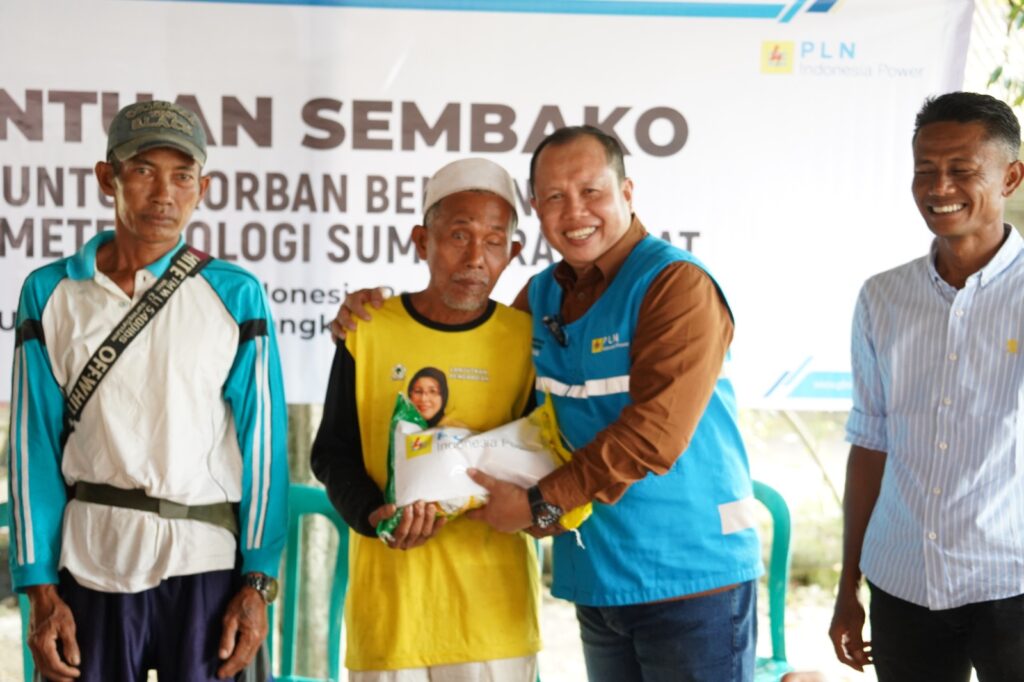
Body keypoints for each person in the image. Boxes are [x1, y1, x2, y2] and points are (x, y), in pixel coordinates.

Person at [335, 126, 764, 682]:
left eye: (591, 191)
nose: (575, 211)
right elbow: (460, 340)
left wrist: (539, 504)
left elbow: (654, 434)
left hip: (690, 578)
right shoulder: (542, 296)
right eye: (555, 197)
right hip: (598, 576)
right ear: (537, 209)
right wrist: (366, 317)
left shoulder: (675, 285)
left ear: (627, 192)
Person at [6, 100, 289, 682]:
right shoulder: (51, 292)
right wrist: (39, 587)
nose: (164, 194)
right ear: (107, 177)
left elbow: (266, 448)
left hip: (206, 562)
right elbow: (33, 446)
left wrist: (258, 580)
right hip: (92, 559)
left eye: (183, 176)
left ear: (202, 189)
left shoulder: (236, 293)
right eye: (143, 171)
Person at [310, 158, 540, 681]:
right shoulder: (367, 329)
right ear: (421, 241)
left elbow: (540, 459)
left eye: (494, 241)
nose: (475, 258)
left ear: (513, 253)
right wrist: (375, 516)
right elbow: (332, 453)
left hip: (494, 620)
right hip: (391, 617)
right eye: (459, 235)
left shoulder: (527, 342)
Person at [828, 92, 1024, 681]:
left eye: (962, 170)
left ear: (1011, 176)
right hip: (903, 579)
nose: (939, 187)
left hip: (1012, 580)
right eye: (925, 170)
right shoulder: (882, 297)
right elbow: (870, 444)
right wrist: (847, 585)